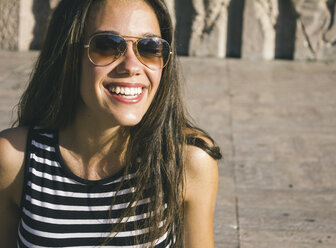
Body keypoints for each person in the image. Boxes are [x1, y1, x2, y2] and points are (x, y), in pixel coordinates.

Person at [0, 0, 222, 247]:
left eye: (150, 48)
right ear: (68, 55)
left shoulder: (186, 161)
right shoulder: (14, 160)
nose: (132, 66)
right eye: (106, 46)